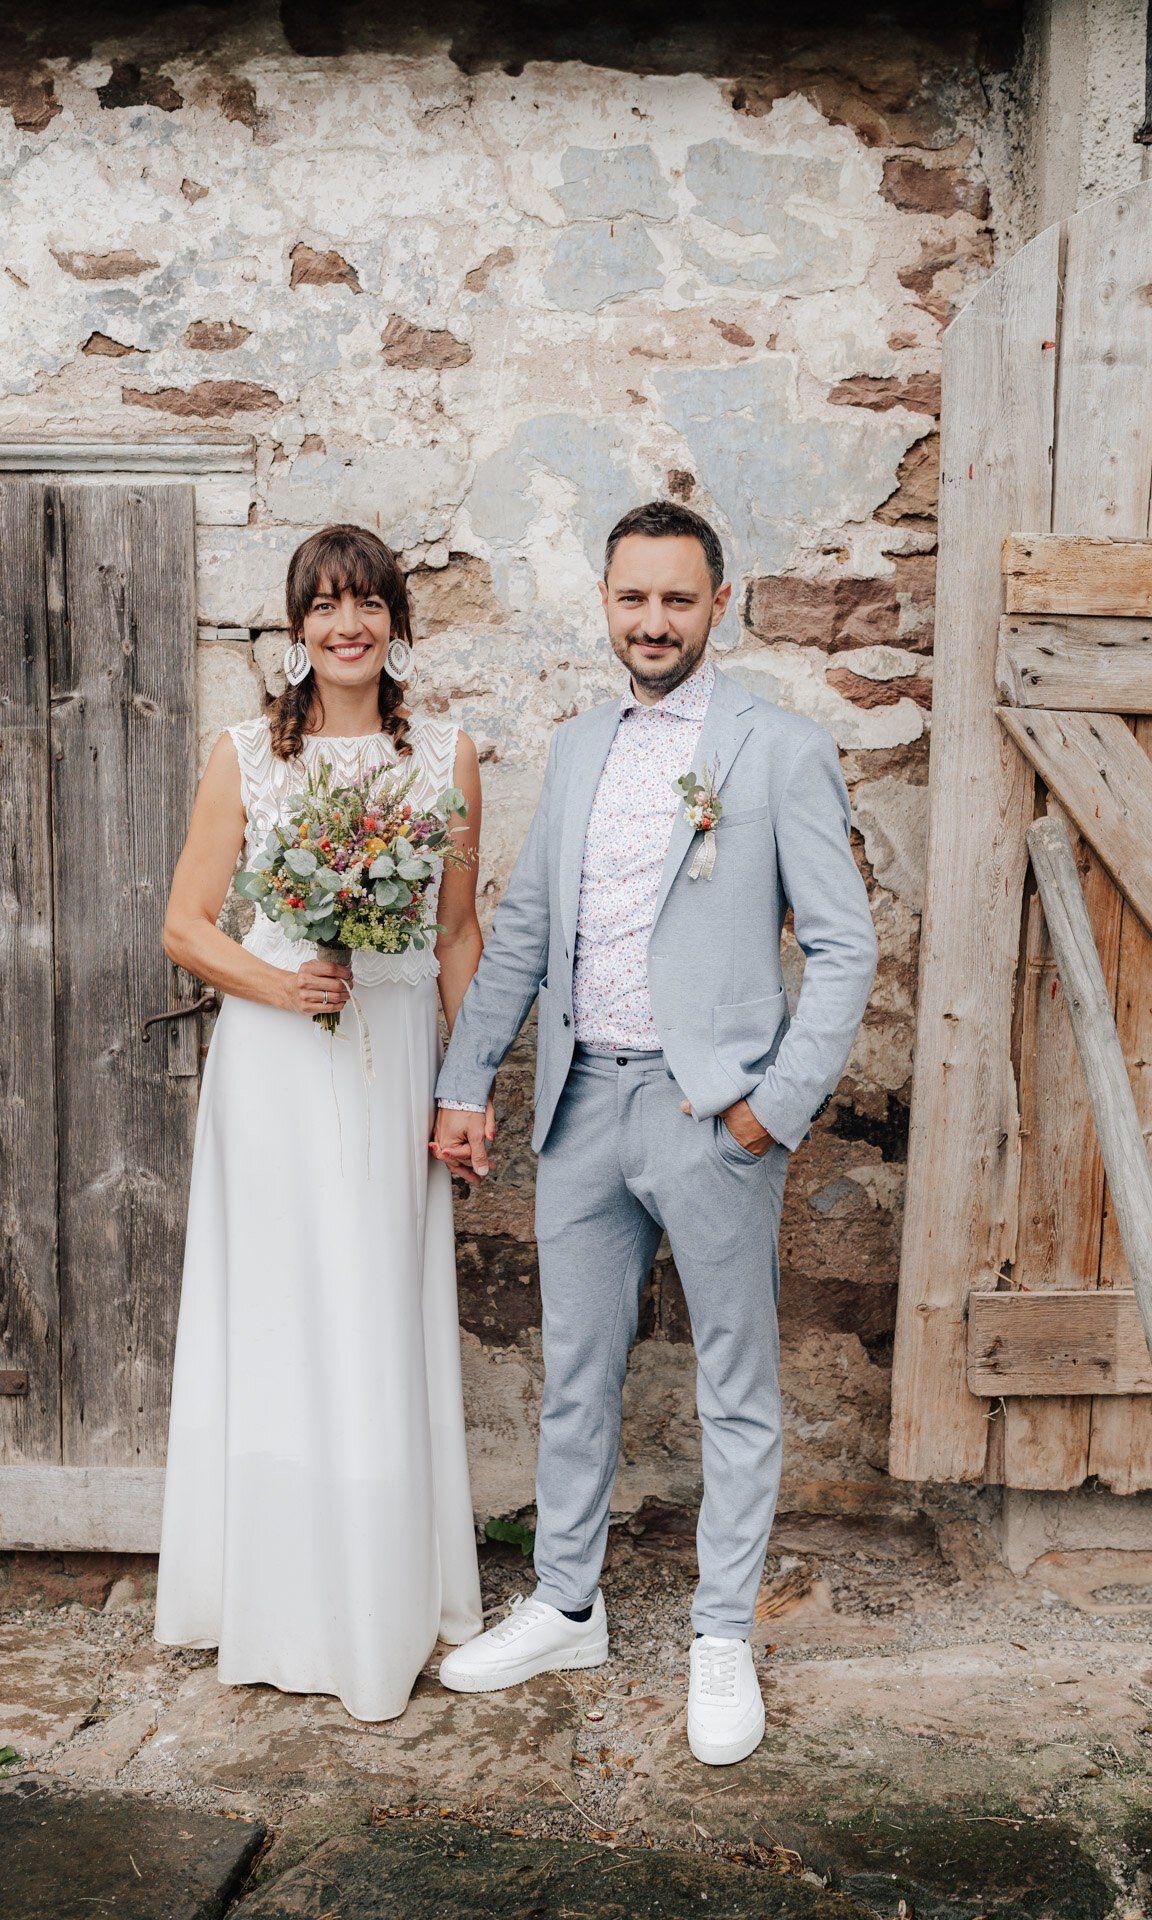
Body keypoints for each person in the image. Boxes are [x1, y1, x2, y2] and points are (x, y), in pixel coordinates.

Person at [431, 499, 877, 1766]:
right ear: (606, 604)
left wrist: (768, 1110)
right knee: (576, 1373)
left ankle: (721, 1634)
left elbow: (842, 948)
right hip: (578, 1108)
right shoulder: (574, 749)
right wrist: (468, 1085)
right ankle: (565, 1602)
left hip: (709, 1116)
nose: (653, 621)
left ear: (716, 605)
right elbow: (521, 936)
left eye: (677, 600)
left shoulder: (775, 749)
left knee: (736, 1385)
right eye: (633, 599)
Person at [154, 523, 485, 1721]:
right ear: (296, 629)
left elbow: (453, 933)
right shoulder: (245, 754)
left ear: (397, 621)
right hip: (279, 1060)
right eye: (324, 606)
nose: (347, 625)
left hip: (390, 1050)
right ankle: (278, 1593)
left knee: (375, 1300)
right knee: (285, 1307)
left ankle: (385, 1591)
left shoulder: (443, 756)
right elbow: (187, 926)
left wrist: (468, 1086)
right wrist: (282, 980)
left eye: (368, 604)